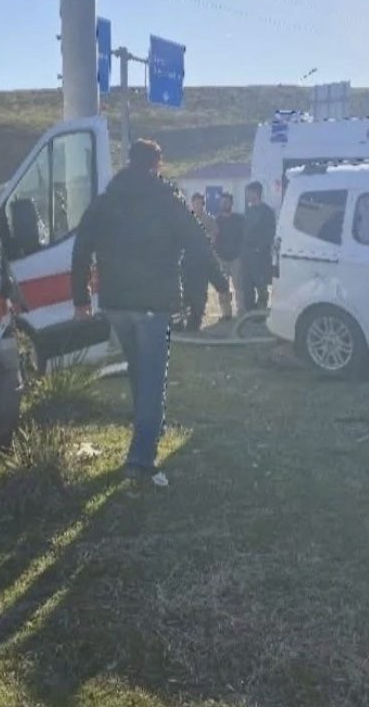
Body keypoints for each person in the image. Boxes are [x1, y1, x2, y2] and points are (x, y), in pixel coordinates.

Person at [71, 139, 221, 487]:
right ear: (157, 165)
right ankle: (141, 458)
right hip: (153, 304)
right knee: (152, 378)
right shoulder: (168, 202)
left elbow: (81, 249)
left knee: (140, 373)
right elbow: (197, 242)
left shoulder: (105, 202)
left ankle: (146, 429)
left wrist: (80, 297)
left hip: (116, 303)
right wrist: (220, 280)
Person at [185, 194, 232, 328]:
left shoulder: (209, 219)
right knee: (192, 292)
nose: (197, 206)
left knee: (220, 285)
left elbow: (214, 236)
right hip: (189, 261)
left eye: (200, 203)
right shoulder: (187, 219)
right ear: (191, 204)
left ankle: (226, 314)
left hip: (206, 259)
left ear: (203, 205)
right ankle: (191, 321)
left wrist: (205, 244)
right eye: (195, 203)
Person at [239, 181, 277, 312]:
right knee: (246, 284)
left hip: (260, 255)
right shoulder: (248, 210)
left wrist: (259, 248)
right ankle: (249, 311)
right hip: (246, 254)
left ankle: (261, 310)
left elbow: (270, 233)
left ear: (256, 193)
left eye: (249, 192)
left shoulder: (267, 212)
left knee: (261, 284)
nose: (247, 195)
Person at [213, 192, 245, 312]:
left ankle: (241, 310)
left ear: (231, 203)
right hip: (221, 258)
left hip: (236, 258)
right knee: (222, 288)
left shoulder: (239, 219)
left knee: (239, 287)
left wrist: (241, 254)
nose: (224, 204)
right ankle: (226, 313)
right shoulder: (216, 220)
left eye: (227, 202)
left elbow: (244, 237)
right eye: (222, 202)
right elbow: (213, 238)